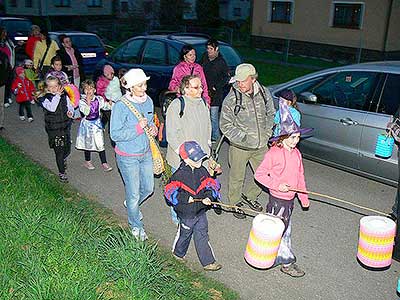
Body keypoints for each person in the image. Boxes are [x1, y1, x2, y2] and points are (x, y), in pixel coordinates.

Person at [254, 100, 312, 277]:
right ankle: (286, 262)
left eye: (298, 137)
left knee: (282, 229)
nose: (296, 141)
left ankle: (269, 256)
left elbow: (300, 176)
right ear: (283, 136)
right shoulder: (274, 153)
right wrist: (276, 185)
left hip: (289, 201)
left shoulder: (296, 154)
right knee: (282, 230)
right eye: (292, 137)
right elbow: (259, 174)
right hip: (277, 200)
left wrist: (303, 197)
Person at [219, 63, 275, 219]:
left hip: (261, 145)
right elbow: (225, 124)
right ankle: (234, 203)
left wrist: (268, 133)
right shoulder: (232, 98)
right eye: (238, 80)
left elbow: (271, 114)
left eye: (243, 81)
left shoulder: (264, 93)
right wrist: (242, 138)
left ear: (253, 79)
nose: (240, 84)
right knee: (237, 177)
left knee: (266, 175)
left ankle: (250, 196)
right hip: (240, 147)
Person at [110, 68, 157, 241]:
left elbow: (151, 123)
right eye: (139, 85)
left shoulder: (149, 101)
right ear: (130, 87)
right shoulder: (121, 106)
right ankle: (135, 226)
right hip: (127, 156)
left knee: (149, 188)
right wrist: (137, 128)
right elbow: (115, 134)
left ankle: (132, 205)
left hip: (145, 153)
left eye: (144, 84)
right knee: (134, 193)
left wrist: (153, 128)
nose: (144, 88)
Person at [164, 141, 222, 271]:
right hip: (186, 214)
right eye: (196, 159)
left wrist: (209, 197)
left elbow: (211, 185)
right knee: (185, 234)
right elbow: (169, 192)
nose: (200, 161)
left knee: (202, 234)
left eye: (201, 158)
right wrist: (185, 198)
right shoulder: (178, 176)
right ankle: (178, 253)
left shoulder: (202, 171)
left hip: (200, 211)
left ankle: (208, 262)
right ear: (186, 159)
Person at [166, 75, 212, 225]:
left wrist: (209, 151)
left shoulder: (204, 104)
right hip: (182, 159)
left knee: (197, 187)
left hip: (200, 157)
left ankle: (195, 213)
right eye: (196, 87)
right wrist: (183, 155)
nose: (201, 90)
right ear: (186, 89)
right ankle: (177, 217)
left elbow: (208, 129)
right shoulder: (177, 105)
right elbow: (172, 134)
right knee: (179, 190)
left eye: (201, 87)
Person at [37, 76, 74, 182]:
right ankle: (62, 172)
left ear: (60, 86)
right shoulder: (44, 99)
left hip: (65, 127)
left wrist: (70, 112)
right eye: (51, 86)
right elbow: (52, 108)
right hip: (54, 130)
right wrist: (57, 95)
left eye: (56, 86)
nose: (54, 88)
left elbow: (70, 105)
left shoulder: (64, 96)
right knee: (59, 151)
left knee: (67, 149)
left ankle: (63, 159)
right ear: (47, 88)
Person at [75, 79, 113, 172]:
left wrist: (110, 104)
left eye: (91, 88)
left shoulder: (98, 99)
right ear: (83, 91)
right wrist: (88, 102)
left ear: (94, 90)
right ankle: (87, 161)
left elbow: (105, 106)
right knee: (87, 143)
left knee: (100, 143)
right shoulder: (82, 101)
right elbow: (86, 112)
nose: (89, 91)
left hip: (96, 125)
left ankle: (104, 162)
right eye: (86, 89)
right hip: (87, 125)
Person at [200, 38, 230, 142]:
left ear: (216, 49)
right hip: (203, 92)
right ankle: (207, 134)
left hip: (215, 94)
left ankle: (215, 135)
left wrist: (216, 87)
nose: (208, 51)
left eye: (211, 49)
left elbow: (226, 77)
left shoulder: (221, 62)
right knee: (204, 115)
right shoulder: (204, 58)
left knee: (213, 116)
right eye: (207, 48)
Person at [96, 65, 122, 130]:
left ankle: (101, 125)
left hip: (115, 100)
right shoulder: (101, 82)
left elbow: (117, 90)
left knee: (106, 116)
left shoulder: (115, 80)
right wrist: (106, 100)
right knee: (110, 117)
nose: (109, 76)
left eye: (110, 74)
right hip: (106, 102)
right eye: (107, 75)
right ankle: (111, 131)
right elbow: (99, 93)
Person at [0, 26, 15, 108]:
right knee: (3, 83)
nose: (5, 34)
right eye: (3, 32)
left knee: (9, 82)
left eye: (5, 32)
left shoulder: (8, 41)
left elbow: (12, 51)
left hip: (9, 65)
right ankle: (4, 99)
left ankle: (8, 96)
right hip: (2, 66)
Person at [0, 50, 10, 130]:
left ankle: (0, 124)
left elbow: (7, 69)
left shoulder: (3, 56)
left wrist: (4, 80)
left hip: (1, 84)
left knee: (1, 104)